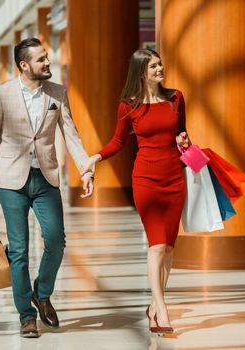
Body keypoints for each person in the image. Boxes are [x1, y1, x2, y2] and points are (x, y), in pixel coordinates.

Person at [0, 38, 94, 338]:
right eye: (41, 60)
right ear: (24, 65)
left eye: (46, 57)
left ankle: (42, 292)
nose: (47, 63)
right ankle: (26, 315)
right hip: (11, 181)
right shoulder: (1, 95)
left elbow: (72, 135)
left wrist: (86, 169)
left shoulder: (57, 93)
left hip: (46, 178)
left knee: (56, 240)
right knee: (20, 250)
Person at [84, 49, 189, 334]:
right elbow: (118, 142)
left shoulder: (175, 98)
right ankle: (161, 309)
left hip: (174, 180)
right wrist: (95, 158)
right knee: (156, 246)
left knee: (168, 248)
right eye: (154, 66)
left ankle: (155, 304)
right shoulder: (128, 106)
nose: (160, 68)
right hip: (146, 182)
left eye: (160, 64)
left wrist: (184, 139)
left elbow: (182, 132)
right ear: (141, 72)